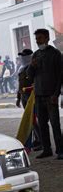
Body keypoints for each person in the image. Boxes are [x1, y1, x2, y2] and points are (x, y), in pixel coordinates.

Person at [27, 28, 62, 159]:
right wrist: (32, 66)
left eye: (40, 38)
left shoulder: (55, 54)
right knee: (42, 125)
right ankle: (47, 149)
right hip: (39, 95)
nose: (37, 41)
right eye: (36, 39)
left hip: (51, 96)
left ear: (47, 38)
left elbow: (60, 76)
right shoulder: (35, 55)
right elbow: (29, 77)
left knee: (55, 124)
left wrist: (56, 94)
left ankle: (60, 150)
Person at [16, 49, 41, 150]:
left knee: (34, 119)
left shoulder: (34, 67)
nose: (22, 58)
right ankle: (37, 139)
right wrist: (18, 98)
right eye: (22, 56)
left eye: (24, 56)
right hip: (24, 96)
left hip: (32, 96)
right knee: (30, 119)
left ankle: (41, 141)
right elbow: (20, 84)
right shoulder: (21, 68)